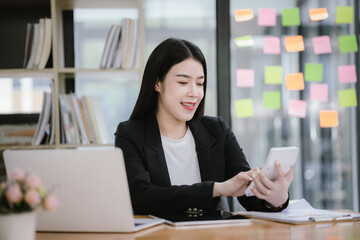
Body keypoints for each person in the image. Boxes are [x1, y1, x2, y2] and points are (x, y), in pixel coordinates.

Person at [115, 38, 293, 214]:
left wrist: (276, 198)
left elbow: (247, 193)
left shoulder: (216, 130)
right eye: (183, 82)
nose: (194, 93)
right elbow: (141, 198)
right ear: (157, 83)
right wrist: (217, 189)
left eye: (200, 83)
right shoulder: (130, 134)